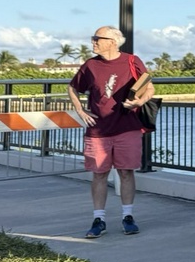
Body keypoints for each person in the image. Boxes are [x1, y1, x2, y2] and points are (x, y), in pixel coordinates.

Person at [66, 26, 156, 238]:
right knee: (99, 174)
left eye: (98, 38)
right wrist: (80, 110)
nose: (93, 42)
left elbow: (149, 88)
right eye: (93, 38)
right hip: (98, 129)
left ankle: (128, 217)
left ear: (113, 42)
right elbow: (72, 87)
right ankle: (99, 219)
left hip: (128, 126)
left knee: (126, 172)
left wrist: (139, 101)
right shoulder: (90, 65)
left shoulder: (132, 61)